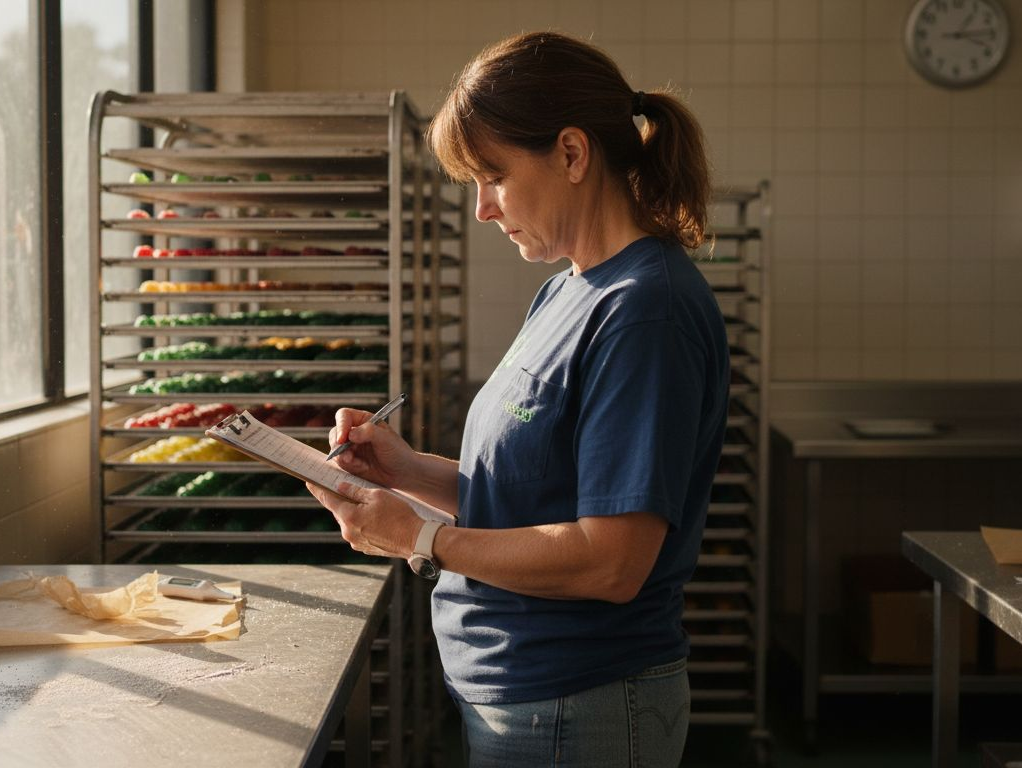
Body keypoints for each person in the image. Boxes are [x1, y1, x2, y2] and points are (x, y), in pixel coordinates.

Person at [305, 31, 728, 768]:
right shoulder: (565, 290)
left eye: (493, 176)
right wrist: (403, 472)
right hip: (524, 699)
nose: (482, 210)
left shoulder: (643, 311)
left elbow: (610, 562)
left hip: (582, 701)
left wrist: (420, 539)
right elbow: (530, 498)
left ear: (571, 153)